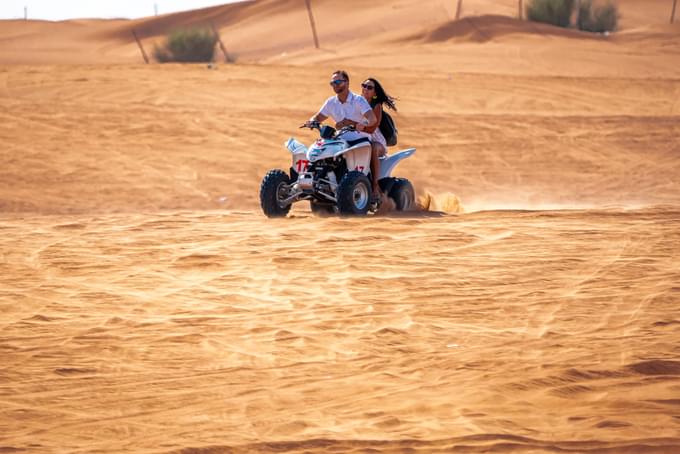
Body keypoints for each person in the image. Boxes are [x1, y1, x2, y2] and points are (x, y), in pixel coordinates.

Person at [305, 70, 379, 198]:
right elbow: (318, 116)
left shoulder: (358, 100)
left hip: (359, 140)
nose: (335, 85)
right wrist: (312, 121)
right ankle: (314, 181)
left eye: (338, 82)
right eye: (332, 83)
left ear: (347, 83)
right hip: (340, 141)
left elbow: (372, 119)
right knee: (321, 154)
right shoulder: (331, 102)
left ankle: (373, 188)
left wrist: (362, 125)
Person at [359, 77, 398, 196]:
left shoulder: (376, 106)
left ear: (375, 93)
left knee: (373, 148)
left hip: (376, 141)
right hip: (360, 139)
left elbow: (373, 127)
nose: (366, 89)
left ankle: (375, 185)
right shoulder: (357, 102)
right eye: (364, 86)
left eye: (369, 87)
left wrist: (363, 128)